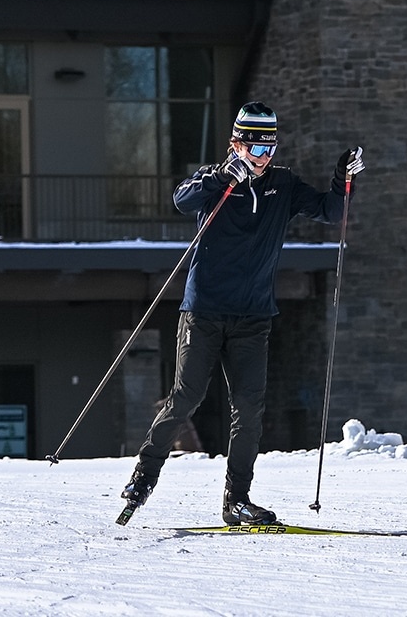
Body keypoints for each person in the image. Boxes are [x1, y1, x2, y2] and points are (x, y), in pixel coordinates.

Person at [119, 102, 363, 525]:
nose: (264, 157)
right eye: (255, 148)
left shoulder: (283, 185)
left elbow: (330, 211)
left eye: (270, 148)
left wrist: (343, 178)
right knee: (186, 397)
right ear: (237, 145)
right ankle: (144, 476)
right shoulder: (217, 181)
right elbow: (182, 199)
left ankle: (238, 500)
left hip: (253, 317)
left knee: (248, 409)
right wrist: (220, 178)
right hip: (204, 312)